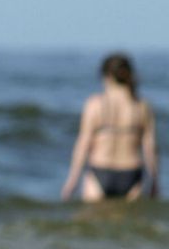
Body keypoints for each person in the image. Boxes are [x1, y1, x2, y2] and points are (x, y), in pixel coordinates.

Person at [62, 53, 160, 202]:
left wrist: (72, 179)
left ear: (106, 76)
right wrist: (155, 180)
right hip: (132, 172)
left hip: (100, 171)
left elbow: (83, 143)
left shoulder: (95, 104)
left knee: (94, 224)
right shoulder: (141, 106)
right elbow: (150, 147)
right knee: (130, 224)